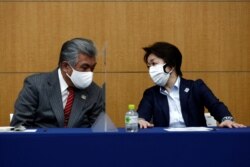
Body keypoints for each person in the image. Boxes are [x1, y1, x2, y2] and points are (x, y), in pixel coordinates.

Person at [137, 42, 246, 129]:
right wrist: (140, 120)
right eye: (149, 66)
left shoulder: (196, 87)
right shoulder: (151, 93)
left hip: (196, 142)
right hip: (165, 143)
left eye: (154, 63)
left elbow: (216, 106)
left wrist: (226, 119)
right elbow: (142, 115)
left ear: (170, 66)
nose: (151, 69)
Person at [10, 38, 104, 128]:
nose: (89, 73)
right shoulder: (35, 86)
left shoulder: (95, 92)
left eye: (92, 68)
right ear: (66, 66)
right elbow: (19, 128)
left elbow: (100, 134)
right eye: (84, 67)